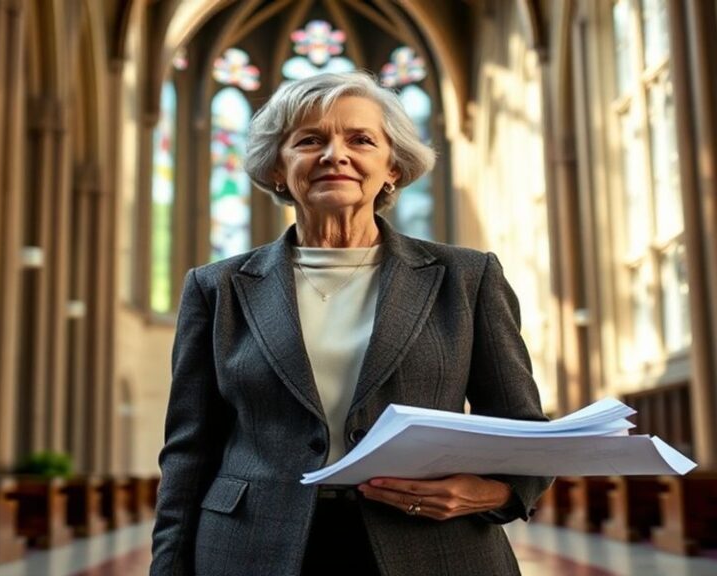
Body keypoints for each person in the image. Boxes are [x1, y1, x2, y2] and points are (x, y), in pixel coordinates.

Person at [150, 70, 552, 576]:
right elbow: (189, 451)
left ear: (394, 167)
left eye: (360, 139)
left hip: (434, 546)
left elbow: (522, 426)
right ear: (278, 167)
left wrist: (493, 492)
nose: (333, 154)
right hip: (251, 548)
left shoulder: (466, 278)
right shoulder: (217, 288)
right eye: (309, 140)